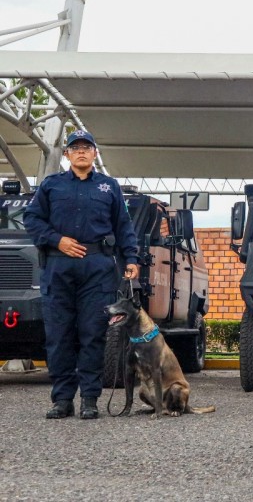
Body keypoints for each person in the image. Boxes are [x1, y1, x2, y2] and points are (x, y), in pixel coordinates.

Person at [24, 130, 139, 420]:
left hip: (97, 268)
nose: (81, 151)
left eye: (87, 147)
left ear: (95, 153)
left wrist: (131, 258)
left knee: (92, 334)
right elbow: (32, 218)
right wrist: (56, 240)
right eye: (75, 148)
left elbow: (123, 225)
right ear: (67, 154)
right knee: (59, 335)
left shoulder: (109, 187)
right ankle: (62, 400)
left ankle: (90, 398)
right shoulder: (51, 185)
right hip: (58, 266)